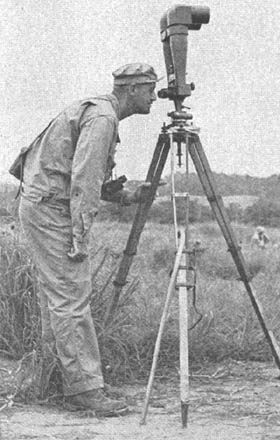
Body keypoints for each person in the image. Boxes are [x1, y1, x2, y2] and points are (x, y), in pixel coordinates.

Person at [10, 63, 159, 416]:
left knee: (60, 299)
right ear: (132, 89)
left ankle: (56, 380)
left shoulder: (99, 112)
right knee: (72, 298)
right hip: (51, 211)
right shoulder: (103, 118)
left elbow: (81, 174)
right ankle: (85, 392)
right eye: (150, 89)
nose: (155, 97)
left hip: (43, 205)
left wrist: (125, 196)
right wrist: (80, 236)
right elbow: (83, 181)